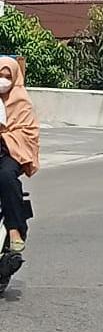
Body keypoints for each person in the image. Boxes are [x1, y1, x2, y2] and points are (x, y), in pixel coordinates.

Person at [0, 57, 40, 253]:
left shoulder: (22, 102)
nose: (4, 80)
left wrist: (6, 137)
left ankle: (15, 229)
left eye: (8, 76)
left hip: (11, 152)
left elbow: (28, 133)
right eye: (0, 75)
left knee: (6, 177)